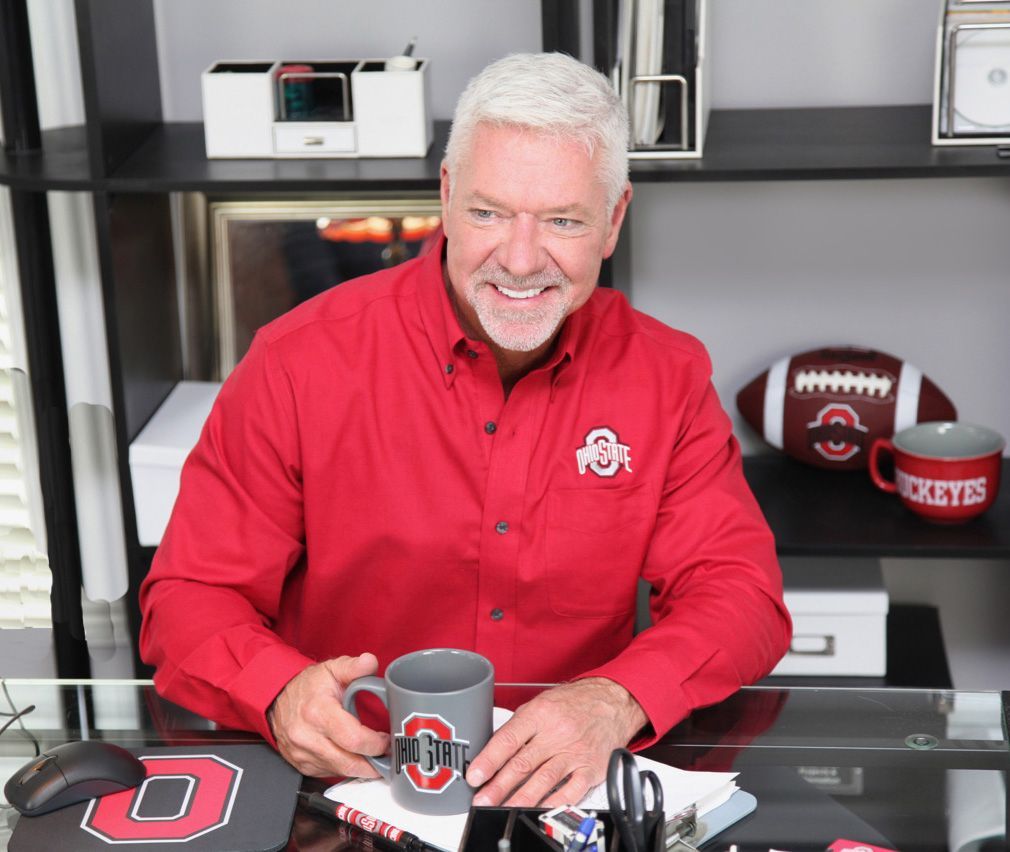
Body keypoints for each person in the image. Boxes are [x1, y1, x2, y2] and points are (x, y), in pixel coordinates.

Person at [139, 52, 790, 809]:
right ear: (446, 197)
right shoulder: (297, 361)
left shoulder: (667, 374)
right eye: (487, 213)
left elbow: (740, 594)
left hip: (563, 790)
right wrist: (279, 691)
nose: (519, 260)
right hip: (352, 786)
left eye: (562, 221)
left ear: (612, 221)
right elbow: (189, 598)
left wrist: (616, 700)